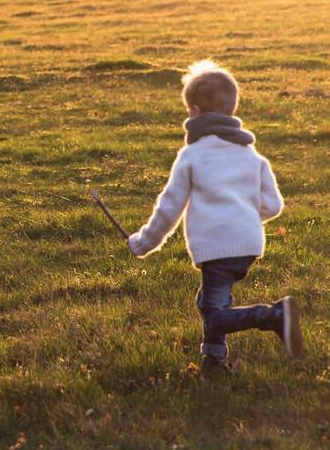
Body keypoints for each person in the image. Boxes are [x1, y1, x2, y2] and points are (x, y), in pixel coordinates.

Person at [127, 59, 300, 377]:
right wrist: (244, 218)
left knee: (213, 315)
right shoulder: (252, 156)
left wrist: (144, 243)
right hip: (247, 245)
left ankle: (273, 315)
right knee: (209, 301)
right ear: (233, 110)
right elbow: (273, 206)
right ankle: (214, 362)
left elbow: (169, 207)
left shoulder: (192, 156)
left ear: (193, 111)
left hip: (216, 248)